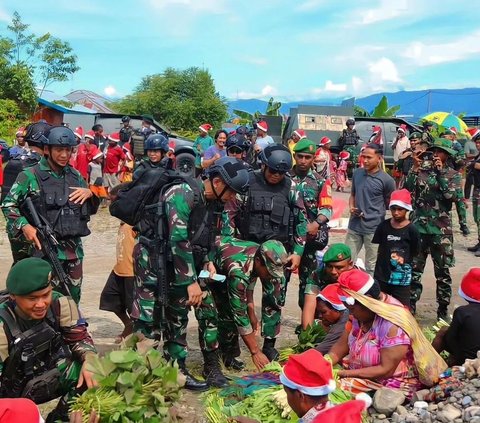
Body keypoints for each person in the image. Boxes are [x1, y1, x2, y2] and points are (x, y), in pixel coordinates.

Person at [130, 157, 250, 390]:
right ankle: (141, 374)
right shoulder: (182, 193)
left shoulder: (212, 202)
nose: (233, 198)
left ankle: (177, 370)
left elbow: (203, 236)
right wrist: (190, 281)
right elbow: (178, 239)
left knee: (178, 316)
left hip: (180, 265)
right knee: (148, 318)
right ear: (216, 182)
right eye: (232, 192)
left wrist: (207, 261)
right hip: (153, 263)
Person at [224, 144, 308, 358]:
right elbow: (230, 215)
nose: (276, 176)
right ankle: (234, 343)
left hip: (276, 255)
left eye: (281, 173)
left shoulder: (291, 187)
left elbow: (301, 221)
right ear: (264, 165)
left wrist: (297, 251)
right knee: (239, 297)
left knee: (275, 299)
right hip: (247, 252)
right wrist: (231, 246)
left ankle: (269, 344)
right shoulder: (247, 182)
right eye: (272, 171)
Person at [1, 126, 99, 303]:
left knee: (72, 297)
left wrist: (90, 194)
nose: (64, 155)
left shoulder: (75, 175)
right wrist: (25, 226)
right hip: (43, 249)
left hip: (72, 251)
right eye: (59, 150)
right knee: (42, 297)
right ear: (47, 149)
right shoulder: (29, 175)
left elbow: (87, 208)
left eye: (68, 150)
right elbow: (8, 205)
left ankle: (70, 329)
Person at [0, 258, 97, 423]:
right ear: (14, 296)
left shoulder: (60, 304)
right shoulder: (2, 324)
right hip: (9, 394)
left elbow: (80, 338)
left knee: (90, 371)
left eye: (45, 295)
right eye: (32, 298)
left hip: (42, 379)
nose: (41, 304)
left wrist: (90, 359)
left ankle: (61, 419)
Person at [328, 269, 446, 397]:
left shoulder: (392, 324)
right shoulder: (361, 315)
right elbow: (341, 346)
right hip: (360, 375)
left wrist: (342, 374)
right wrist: (326, 362)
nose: (350, 314)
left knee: (330, 389)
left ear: (368, 301)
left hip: (391, 384)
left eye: (351, 309)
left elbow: (386, 369)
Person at [404, 138, 463, 319]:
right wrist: (414, 168)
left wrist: (440, 173)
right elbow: (406, 191)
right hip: (419, 229)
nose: (436, 154)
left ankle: (443, 310)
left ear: (447, 155)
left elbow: (449, 195)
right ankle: (411, 306)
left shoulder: (453, 174)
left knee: (442, 273)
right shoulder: (421, 171)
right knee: (414, 271)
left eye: (440, 151)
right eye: (434, 151)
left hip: (441, 232)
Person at [209, 238, 288, 371]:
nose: (270, 276)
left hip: (229, 266)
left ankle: (228, 355)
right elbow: (239, 313)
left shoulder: (259, 252)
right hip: (210, 270)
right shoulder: (238, 272)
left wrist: (252, 312)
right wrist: (255, 352)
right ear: (258, 262)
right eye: (269, 271)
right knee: (226, 314)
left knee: (240, 313)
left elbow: (250, 282)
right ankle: (220, 356)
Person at [290, 139, 332, 309]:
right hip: (287, 237)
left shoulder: (320, 181)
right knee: (279, 282)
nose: (303, 161)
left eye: (308, 157)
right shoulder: (284, 177)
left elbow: (327, 208)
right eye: (300, 156)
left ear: (313, 158)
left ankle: (306, 322)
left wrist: (316, 224)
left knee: (308, 283)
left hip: (310, 239)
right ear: (294, 156)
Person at [345, 143, 395, 275]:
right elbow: (353, 195)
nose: (365, 160)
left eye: (369, 157)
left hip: (374, 228)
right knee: (347, 261)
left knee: (372, 265)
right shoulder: (357, 174)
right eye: (363, 157)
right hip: (354, 226)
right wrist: (351, 207)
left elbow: (390, 202)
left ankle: (370, 293)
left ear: (379, 158)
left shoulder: (387, 180)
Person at [100, 183, 135, 343]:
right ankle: (128, 324)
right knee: (109, 299)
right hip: (119, 270)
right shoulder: (124, 220)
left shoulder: (136, 221)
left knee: (133, 307)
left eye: (115, 201)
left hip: (132, 273)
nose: (112, 206)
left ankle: (135, 333)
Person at [372, 189, 419, 307]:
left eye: (400, 209)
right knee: (380, 306)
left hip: (402, 278)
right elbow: (379, 247)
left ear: (407, 209)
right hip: (382, 275)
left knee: (402, 308)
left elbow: (415, 250)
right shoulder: (383, 226)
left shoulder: (412, 229)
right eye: (393, 209)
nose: (396, 212)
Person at [432, 268, 480, 366]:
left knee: (443, 331)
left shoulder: (462, 312)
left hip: (467, 360)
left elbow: (451, 339)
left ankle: (429, 364)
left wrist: (455, 357)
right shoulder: (463, 312)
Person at [301, 243, 354, 330]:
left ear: (350, 264)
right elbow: (310, 304)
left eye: (339, 267)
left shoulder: (357, 277)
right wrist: (307, 335)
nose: (333, 271)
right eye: (329, 266)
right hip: (325, 313)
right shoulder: (317, 274)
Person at [313, 283, 351, 354]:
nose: (320, 316)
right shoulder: (344, 317)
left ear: (336, 309)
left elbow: (322, 349)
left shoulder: (344, 322)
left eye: (323, 312)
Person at [467, 134, 480, 255]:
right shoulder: (478, 155)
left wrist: (474, 164)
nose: (477, 144)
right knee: (477, 218)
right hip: (477, 189)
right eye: (477, 142)